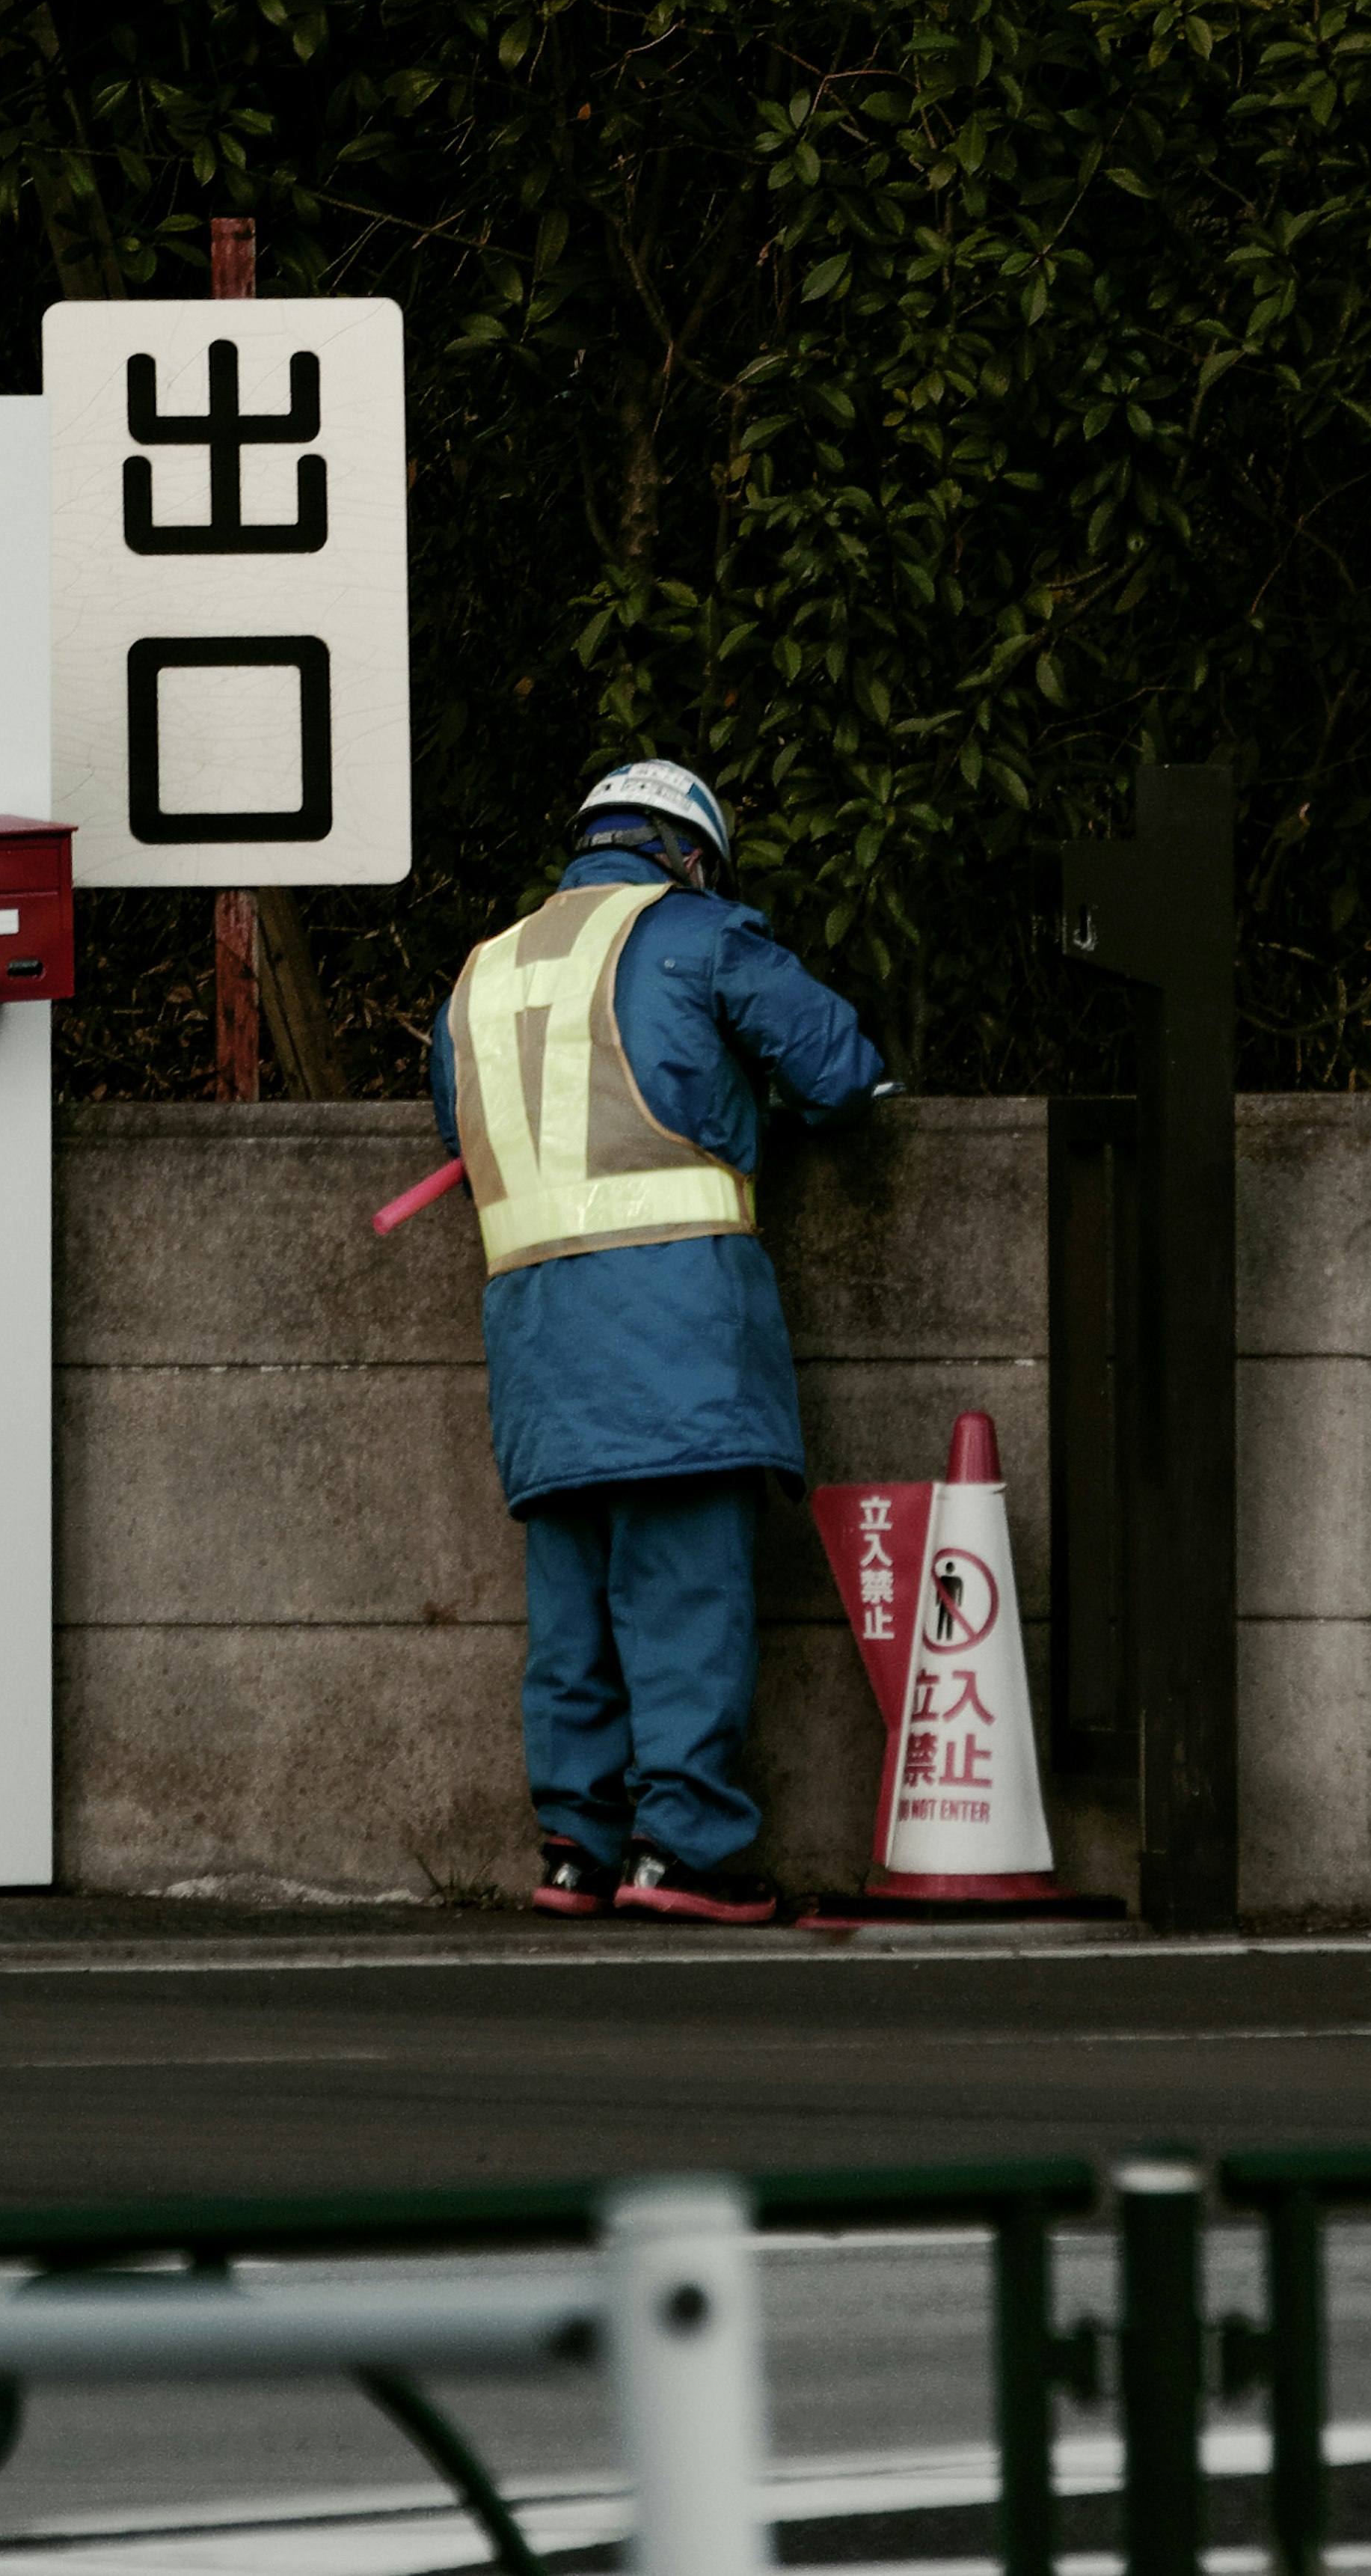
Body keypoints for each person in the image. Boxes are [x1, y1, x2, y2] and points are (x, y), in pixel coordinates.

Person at [430, 754, 891, 1924]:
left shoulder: (482, 973)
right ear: (689, 851)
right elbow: (840, 1068)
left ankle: (575, 1849)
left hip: (537, 1343)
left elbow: (460, 1122)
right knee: (686, 1600)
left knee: (573, 1608)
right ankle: (677, 1853)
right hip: (677, 1331)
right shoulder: (696, 932)